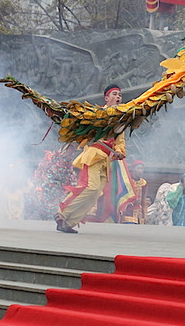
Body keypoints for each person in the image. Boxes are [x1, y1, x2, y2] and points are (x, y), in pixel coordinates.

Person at [55, 84, 126, 233]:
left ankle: (68, 223)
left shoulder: (120, 120)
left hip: (105, 160)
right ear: (106, 98)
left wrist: (119, 151)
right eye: (114, 94)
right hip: (94, 155)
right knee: (90, 188)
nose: (118, 97)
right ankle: (62, 213)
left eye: (120, 94)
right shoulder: (98, 114)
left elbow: (120, 142)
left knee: (95, 195)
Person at [120, 160, 147, 224]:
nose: (140, 170)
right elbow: (122, 197)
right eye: (138, 168)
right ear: (133, 169)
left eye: (141, 169)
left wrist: (145, 213)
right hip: (128, 212)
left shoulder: (144, 183)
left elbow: (143, 200)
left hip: (139, 214)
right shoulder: (126, 181)